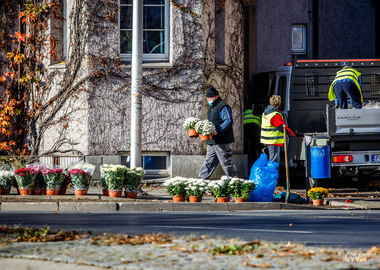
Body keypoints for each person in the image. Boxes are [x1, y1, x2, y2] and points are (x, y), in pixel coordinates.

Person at [198, 86, 238, 179]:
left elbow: (228, 121)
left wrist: (218, 130)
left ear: (216, 96)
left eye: (210, 98)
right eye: (207, 98)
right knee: (209, 161)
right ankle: (201, 181)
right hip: (212, 140)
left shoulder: (222, 106)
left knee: (227, 162)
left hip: (222, 140)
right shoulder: (211, 108)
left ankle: (234, 182)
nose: (208, 100)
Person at [260, 95, 295, 176]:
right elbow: (281, 127)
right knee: (274, 162)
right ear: (278, 104)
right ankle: (273, 180)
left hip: (266, 140)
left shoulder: (266, 113)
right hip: (273, 141)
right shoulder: (275, 115)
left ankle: (270, 178)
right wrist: (291, 133)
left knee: (270, 160)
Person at [243, 104, 262, 168]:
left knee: (245, 143)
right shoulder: (257, 113)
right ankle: (253, 160)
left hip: (246, 127)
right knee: (254, 145)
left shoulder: (245, 112)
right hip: (255, 127)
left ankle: (246, 156)